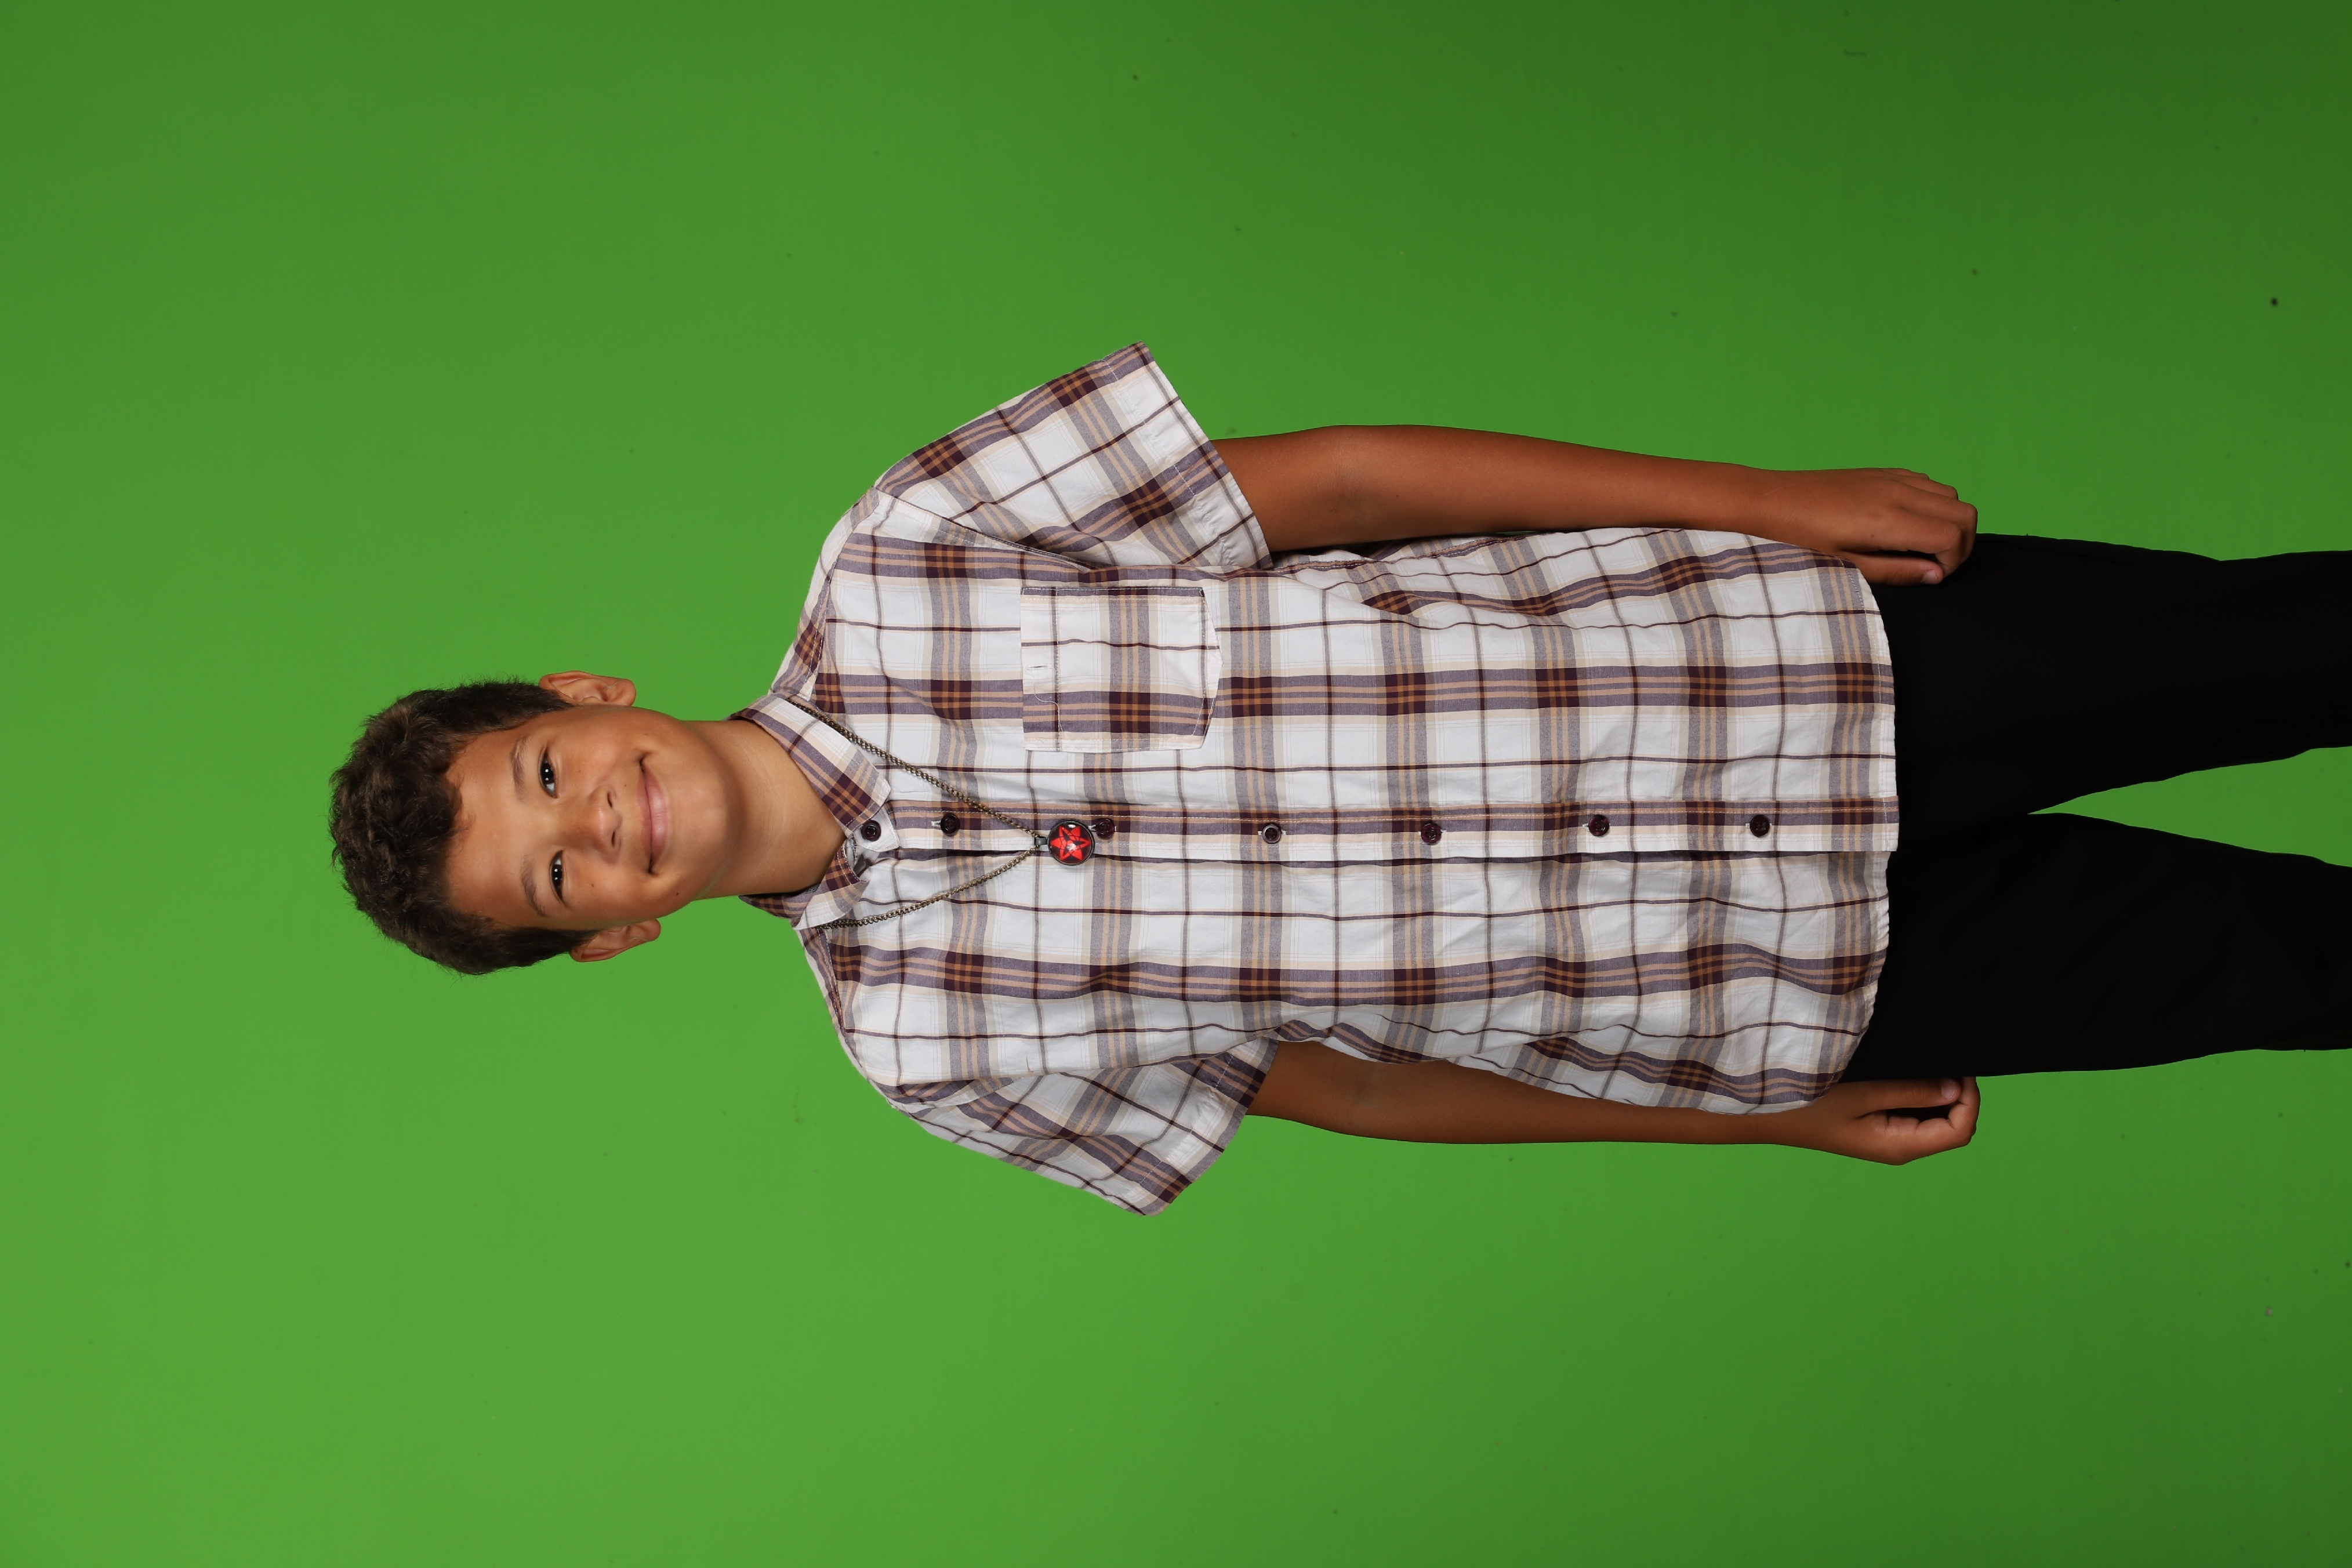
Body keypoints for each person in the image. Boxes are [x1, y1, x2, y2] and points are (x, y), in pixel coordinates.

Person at [330, 345, 2352, 1213]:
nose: (595, 820)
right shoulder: (927, 1052)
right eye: (560, 875)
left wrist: (1764, 498)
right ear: (612, 943)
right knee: (2300, 966)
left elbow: (1349, 485)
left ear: (584, 691)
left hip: (1797, 657)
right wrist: (1764, 1122)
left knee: (2295, 640)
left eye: (546, 771)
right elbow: (1356, 1089)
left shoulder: (910, 544)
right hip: (1782, 982)